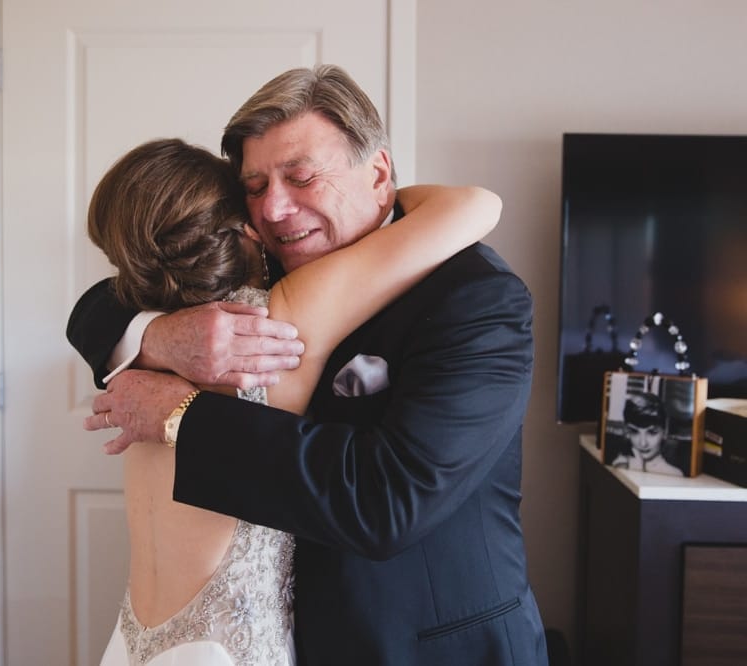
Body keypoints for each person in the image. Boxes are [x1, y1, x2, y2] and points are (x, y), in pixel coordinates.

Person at [69, 65, 547, 665]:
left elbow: (388, 503)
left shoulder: (477, 297)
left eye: (300, 177)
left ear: (378, 173)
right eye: (254, 186)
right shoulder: (257, 275)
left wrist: (181, 416)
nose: (273, 209)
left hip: (427, 647)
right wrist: (158, 336)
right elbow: (97, 307)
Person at [611, 390, 683, 476]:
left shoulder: (674, 474)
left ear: (665, 432)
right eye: (635, 432)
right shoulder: (621, 463)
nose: (643, 443)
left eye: (652, 432)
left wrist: (637, 471)